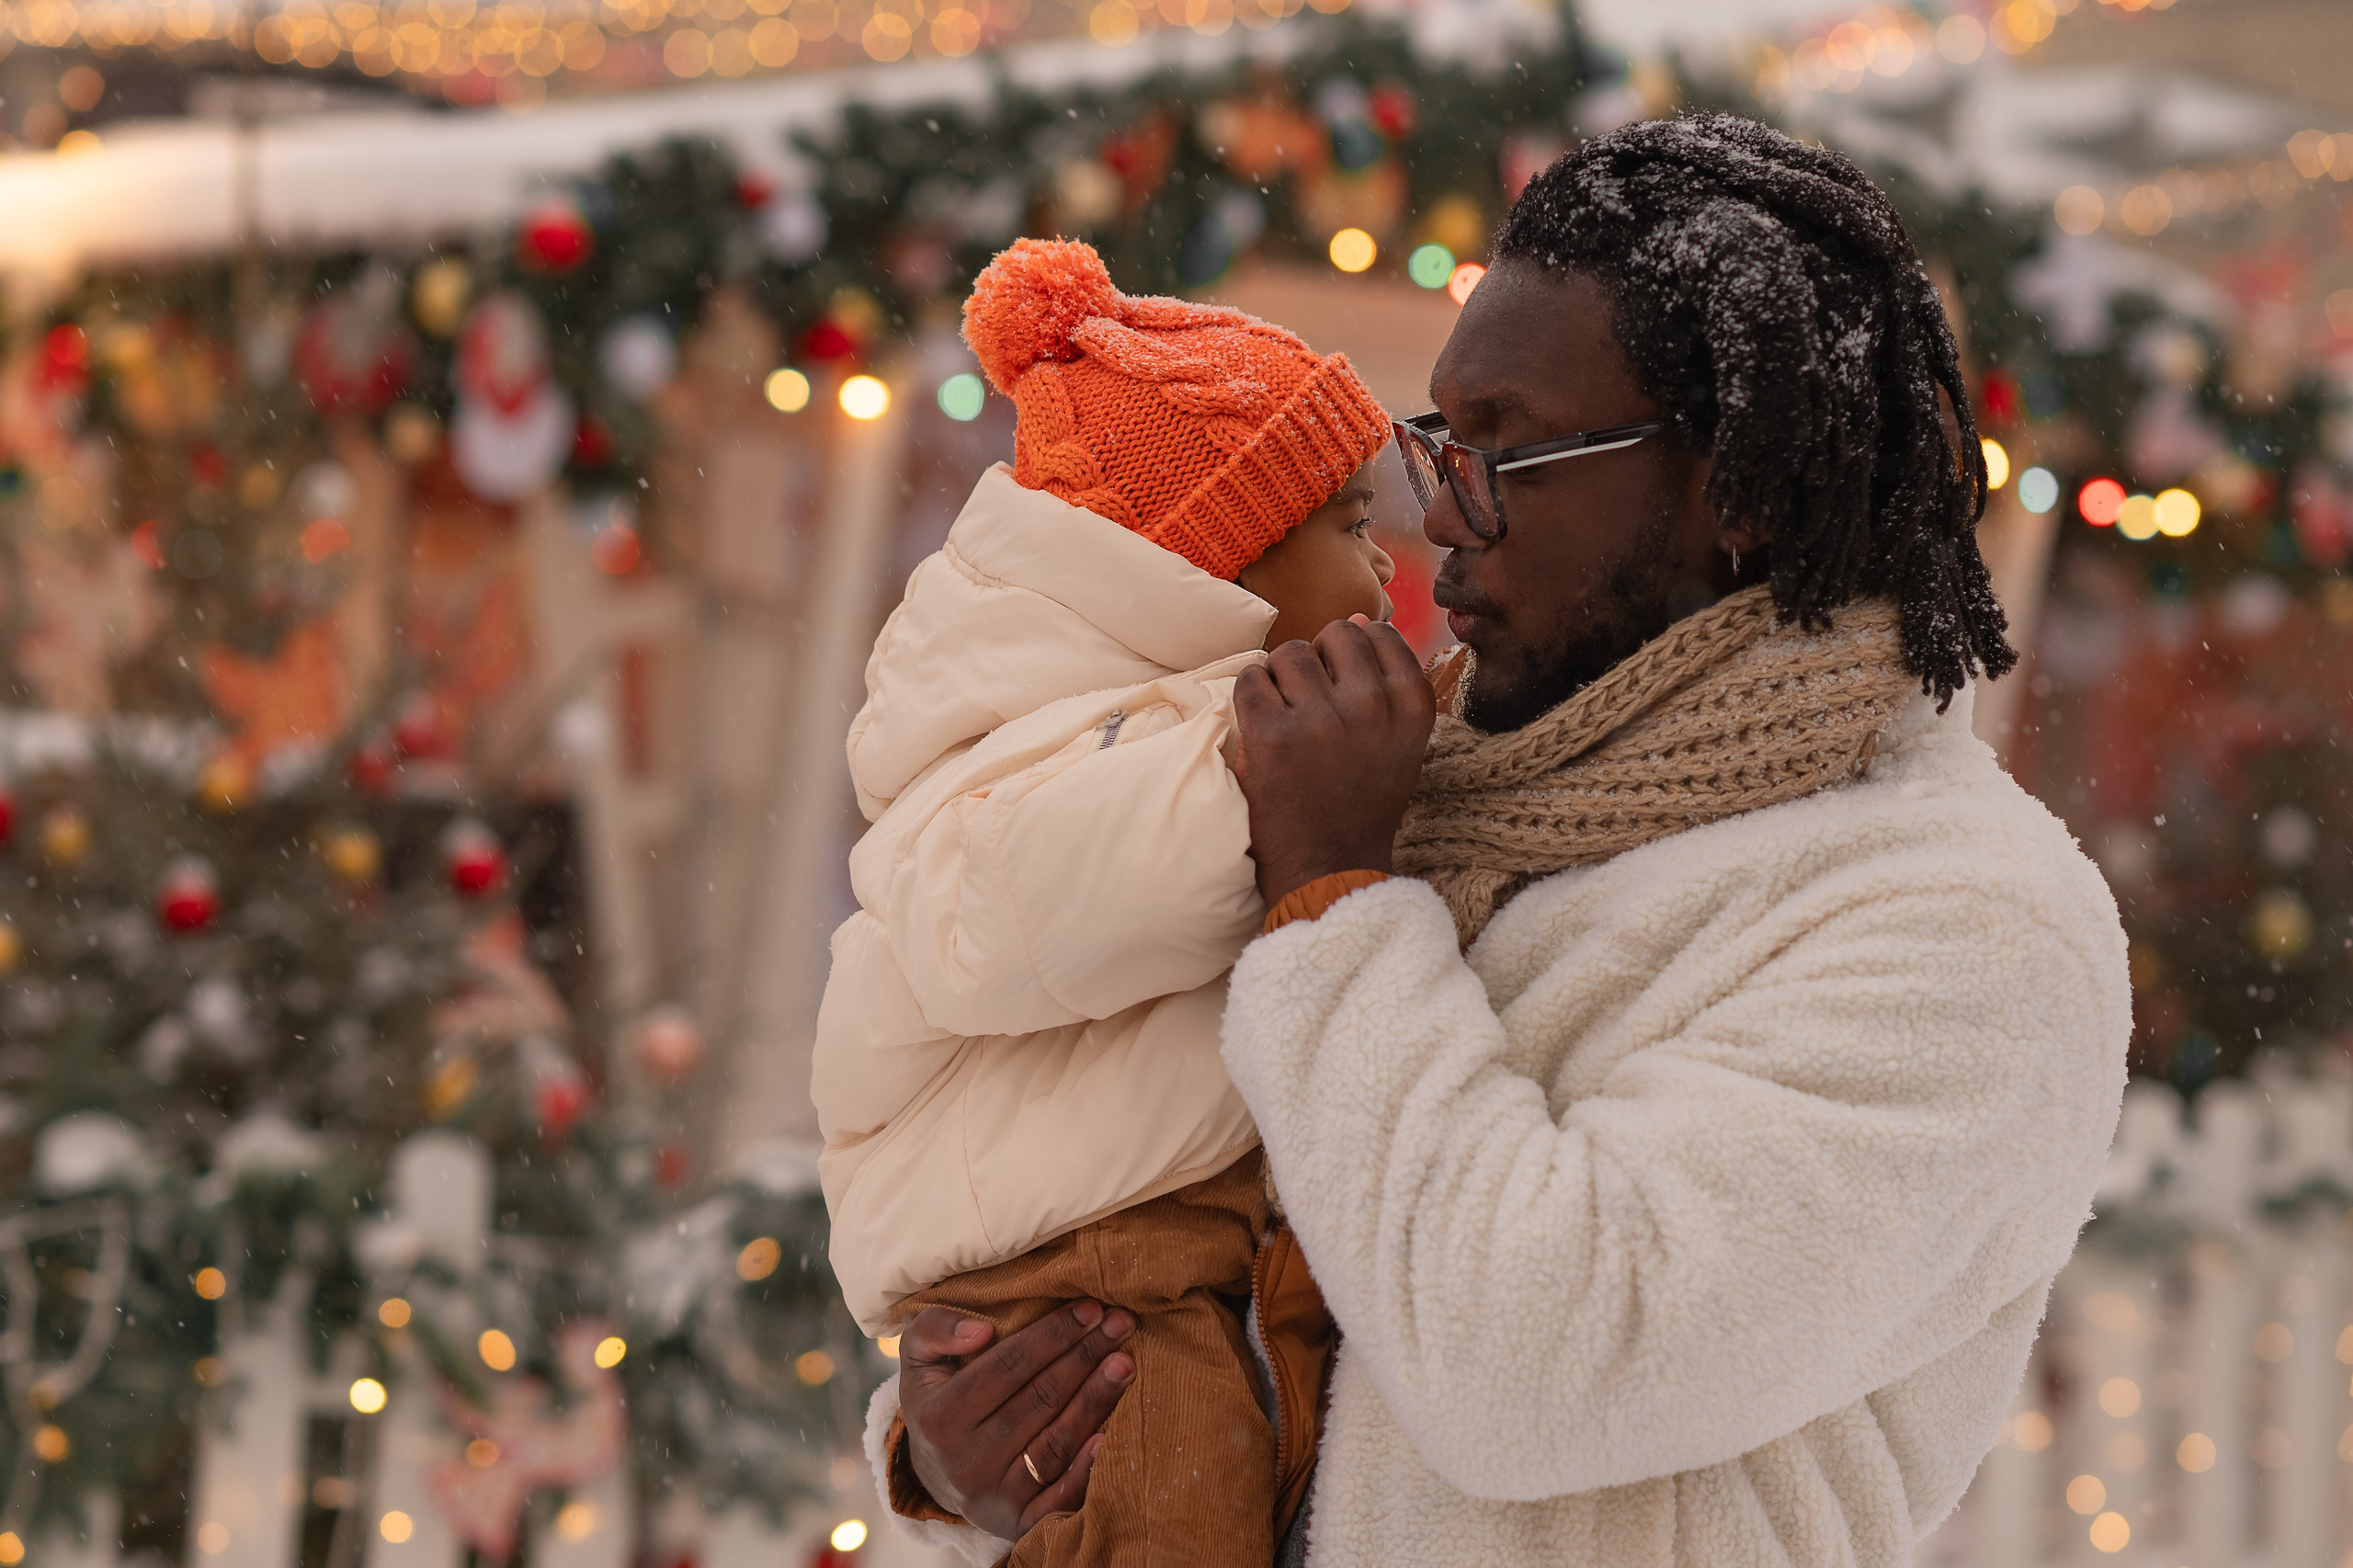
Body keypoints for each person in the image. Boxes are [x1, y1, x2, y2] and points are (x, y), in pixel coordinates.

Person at [872, 113, 2131, 1568]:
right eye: (1439, 444)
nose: (1437, 520)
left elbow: (1540, 1366)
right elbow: (1148, 1227)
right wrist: (965, 1446)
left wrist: (1337, 911)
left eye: (1508, 455)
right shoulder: (1405, 785)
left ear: (1736, 491)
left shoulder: (1962, 926)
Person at [813, 237, 1394, 1566]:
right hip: (1071, 1270)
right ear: (1219, 564)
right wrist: (1257, 784)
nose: (1380, 583)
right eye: (1352, 528)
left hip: (1136, 1245)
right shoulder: (1071, 736)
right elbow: (996, 914)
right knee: (1178, 1499)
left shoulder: (1132, 713)